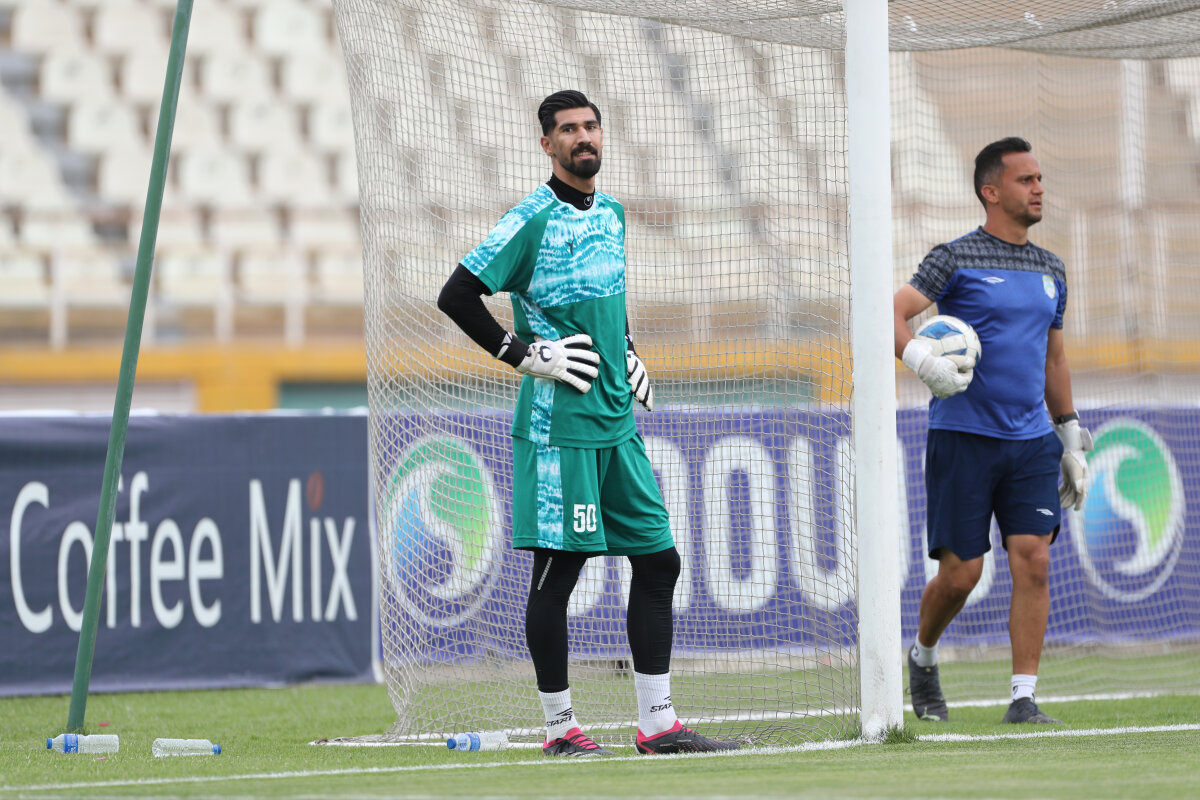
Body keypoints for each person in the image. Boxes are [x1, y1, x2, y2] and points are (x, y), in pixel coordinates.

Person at [437, 90, 738, 756]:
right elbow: (456, 295)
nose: (583, 137)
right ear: (547, 144)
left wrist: (627, 351)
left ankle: (658, 724)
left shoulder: (613, 214)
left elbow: (611, 298)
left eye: (591, 126)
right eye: (569, 129)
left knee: (659, 561)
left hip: (616, 422)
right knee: (560, 573)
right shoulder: (530, 219)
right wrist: (524, 354)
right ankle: (560, 729)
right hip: (559, 428)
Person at [893, 137, 1092, 725]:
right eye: (1026, 180)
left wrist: (1070, 436)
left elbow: (1054, 358)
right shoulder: (954, 258)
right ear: (992, 191)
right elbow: (891, 311)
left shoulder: (1052, 268)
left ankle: (1023, 698)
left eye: (1040, 179)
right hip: (964, 436)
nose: (1039, 188)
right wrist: (919, 360)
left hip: (1031, 441)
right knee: (962, 575)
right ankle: (923, 655)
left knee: (1034, 559)